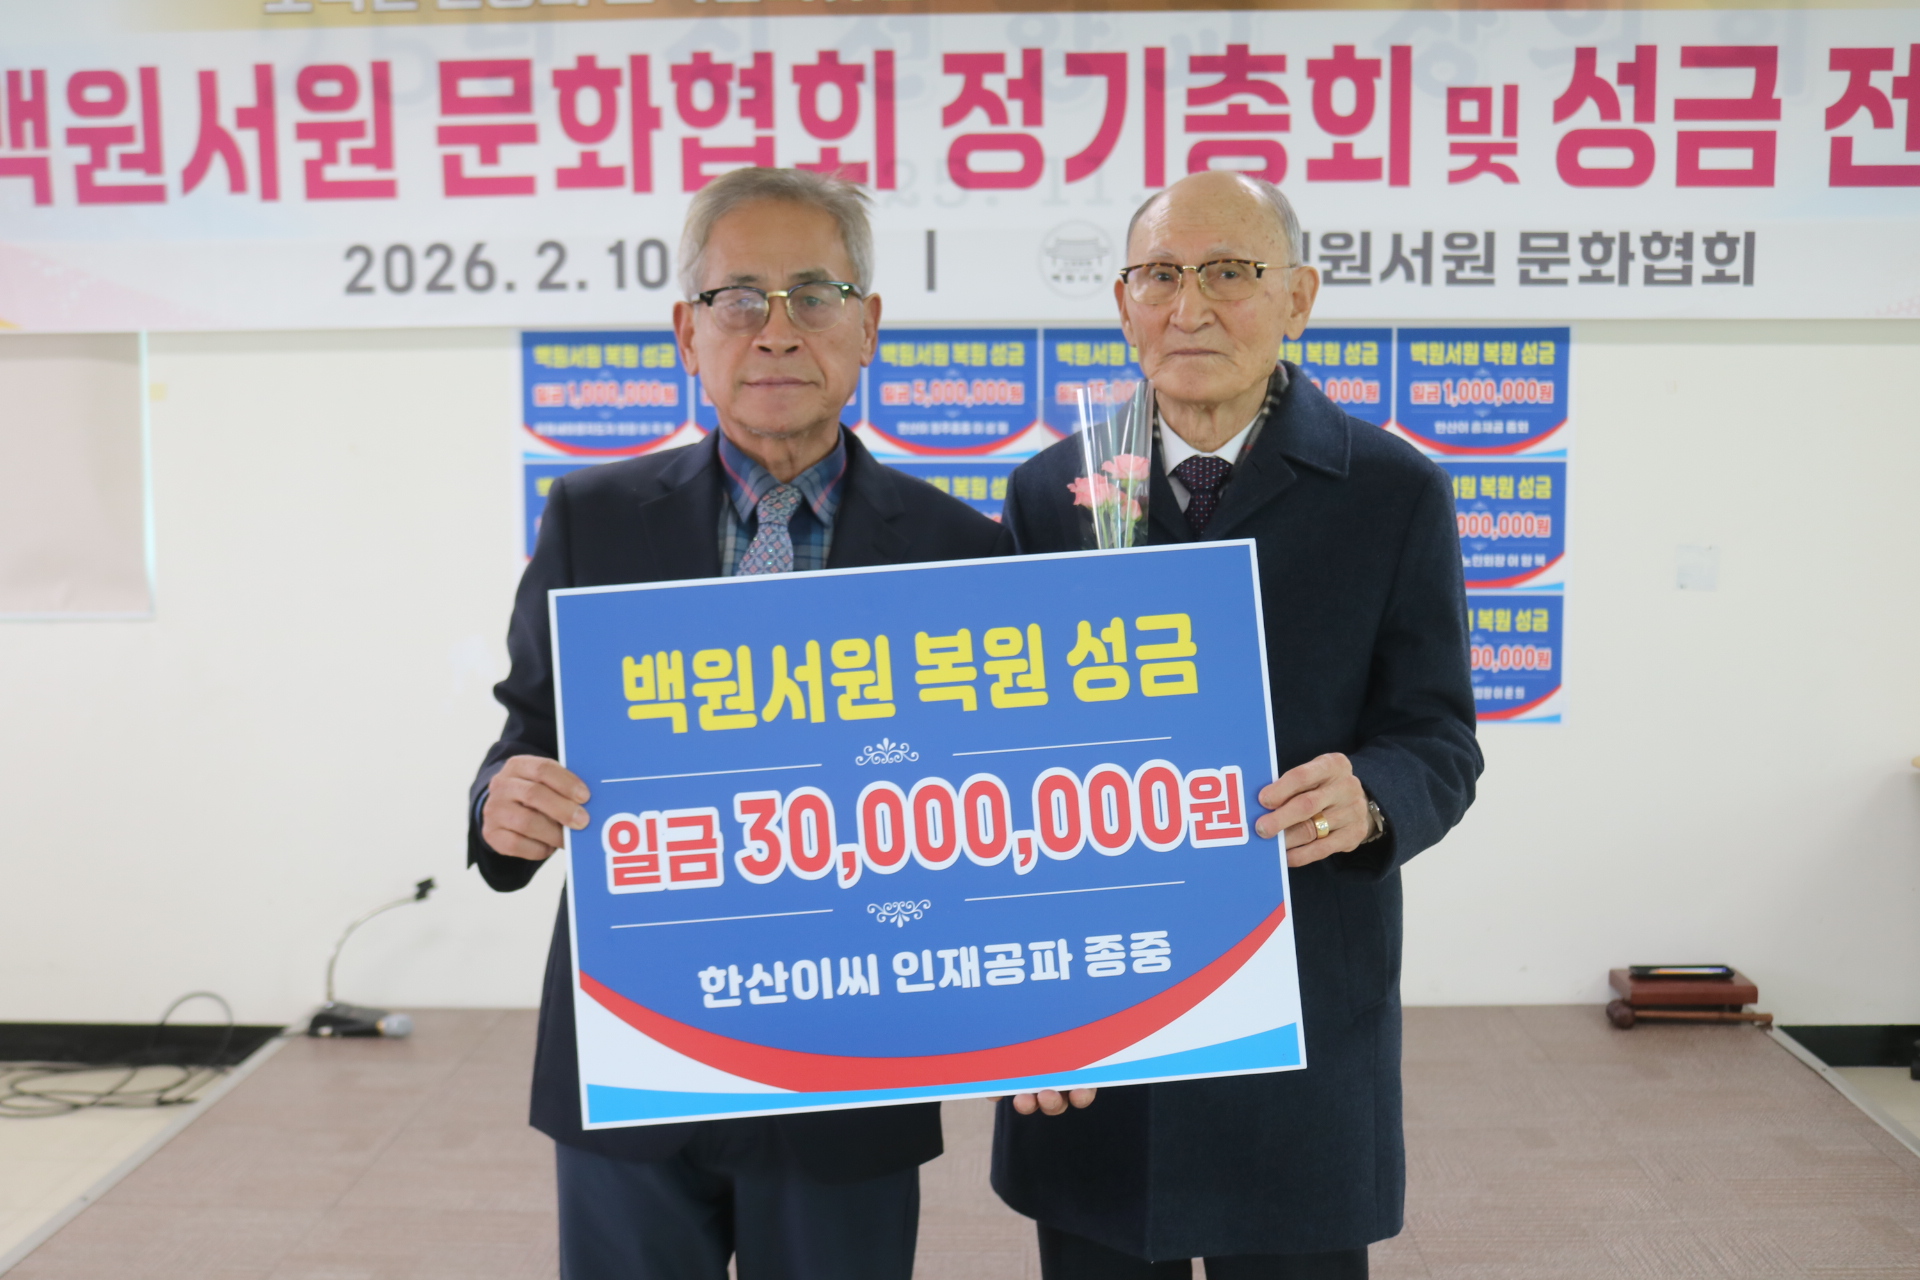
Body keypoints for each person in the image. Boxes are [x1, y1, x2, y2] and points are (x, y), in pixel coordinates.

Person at [467, 167, 1011, 1280]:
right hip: (635, 1043)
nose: (776, 330)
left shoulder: (958, 550)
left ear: (869, 325)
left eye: (815, 295)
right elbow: (527, 733)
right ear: (687, 331)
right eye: (738, 298)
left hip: (852, 1061)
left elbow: (993, 806)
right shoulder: (594, 519)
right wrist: (501, 804)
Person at [990, 170, 1482, 1278]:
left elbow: (1438, 736)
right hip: (1103, 1007)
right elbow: (999, 762)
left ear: (1298, 297)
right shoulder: (1049, 494)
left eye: (1229, 273)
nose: (1190, 307)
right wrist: (1020, 997)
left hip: (1301, 1002)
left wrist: (1373, 796)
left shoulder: (1391, 491)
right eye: (1159, 275)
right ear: (1123, 304)